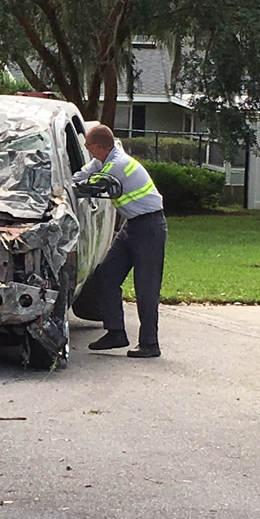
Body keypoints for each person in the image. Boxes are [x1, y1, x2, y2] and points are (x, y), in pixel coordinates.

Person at [72, 124, 167, 358]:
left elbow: (90, 187)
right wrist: (62, 187)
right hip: (131, 226)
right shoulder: (103, 161)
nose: (87, 150)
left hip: (150, 227)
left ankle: (149, 344)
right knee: (107, 275)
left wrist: (72, 191)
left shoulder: (118, 165)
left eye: (89, 146)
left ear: (99, 146)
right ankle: (116, 332)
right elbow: (79, 177)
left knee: (146, 287)